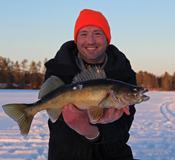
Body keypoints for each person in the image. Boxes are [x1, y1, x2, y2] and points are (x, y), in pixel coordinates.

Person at [45, 9, 137, 160]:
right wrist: (87, 121)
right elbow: (55, 111)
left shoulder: (123, 72)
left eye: (98, 33)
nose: (91, 41)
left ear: (107, 39)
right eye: (83, 34)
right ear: (76, 39)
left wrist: (92, 132)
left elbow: (124, 125)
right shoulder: (58, 68)